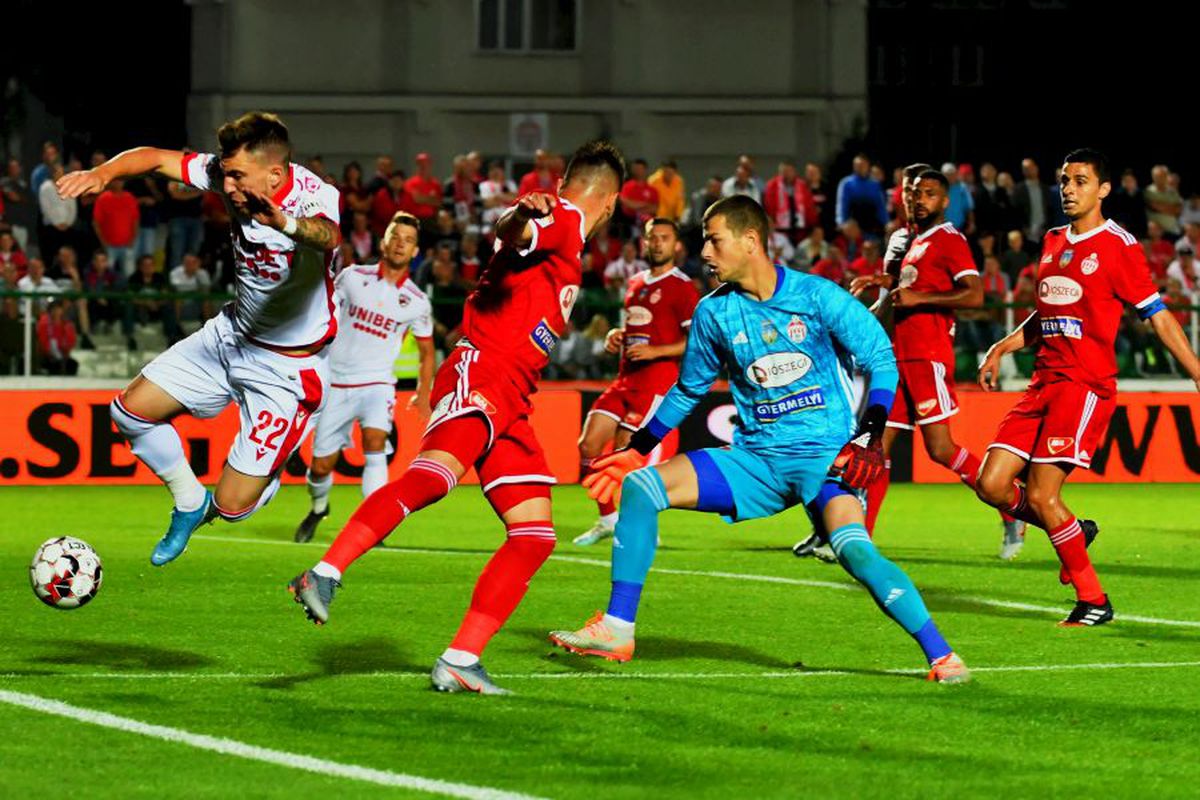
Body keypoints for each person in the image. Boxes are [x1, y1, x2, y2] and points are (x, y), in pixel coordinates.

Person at [549, 195, 969, 684]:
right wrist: (636, 449)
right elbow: (689, 389)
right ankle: (618, 629)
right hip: (755, 463)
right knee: (641, 488)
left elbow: (880, 357)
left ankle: (943, 656)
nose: (704, 251)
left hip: (824, 459)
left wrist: (871, 433)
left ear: (750, 241)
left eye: (714, 239)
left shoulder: (816, 296)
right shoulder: (713, 313)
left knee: (856, 552)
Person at [287, 140, 625, 696]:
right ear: (609, 202)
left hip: (515, 397)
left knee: (535, 534)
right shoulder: (562, 217)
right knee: (434, 478)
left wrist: (522, 218)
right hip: (484, 370)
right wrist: (521, 213)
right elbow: (513, 232)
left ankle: (461, 659)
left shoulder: (568, 233)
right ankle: (323, 572)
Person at [56, 111, 342, 566]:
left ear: (274, 173)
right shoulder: (231, 177)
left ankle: (268, 468)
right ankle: (189, 501)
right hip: (231, 336)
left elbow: (328, 236)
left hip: (288, 368)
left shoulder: (315, 196)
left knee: (232, 507)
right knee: (129, 412)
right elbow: (153, 158)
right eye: (225, 174)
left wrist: (283, 222)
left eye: (237, 177)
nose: (226, 187)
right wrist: (103, 173)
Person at [976, 149, 1200, 626]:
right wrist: (1004, 345)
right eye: (1064, 180)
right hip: (1042, 383)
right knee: (991, 483)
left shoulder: (1119, 245)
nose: (1069, 189)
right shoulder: (1054, 240)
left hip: (1083, 386)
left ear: (1102, 189)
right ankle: (1074, 532)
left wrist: (1196, 369)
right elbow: (1048, 309)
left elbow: (1157, 316)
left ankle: (1093, 600)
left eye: (1080, 180)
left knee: (1040, 495)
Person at [830, 168, 1023, 559]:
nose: (920, 200)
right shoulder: (914, 242)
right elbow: (910, 290)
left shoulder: (949, 239)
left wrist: (920, 300)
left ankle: (1012, 508)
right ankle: (859, 540)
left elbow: (974, 295)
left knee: (940, 449)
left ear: (945, 201)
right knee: (875, 450)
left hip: (927, 355)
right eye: (915, 193)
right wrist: (882, 283)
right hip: (897, 357)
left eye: (929, 194)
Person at [295, 212, 436, 543]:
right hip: (335, 381)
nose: (401, 244)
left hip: (377, 384)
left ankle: (375, 526)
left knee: (375, 445)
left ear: (415, 252)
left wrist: (424, 392)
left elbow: (428, 351)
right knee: (320, 467)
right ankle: (318, 509)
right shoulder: (352, 277)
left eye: (408, 240)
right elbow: (321, 313)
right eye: (395, 236)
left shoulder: (417, 301)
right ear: (383, 241)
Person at [575, 218, 699, 546]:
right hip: (624, 379)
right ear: (644, 243)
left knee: (624, 454)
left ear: (676, 246)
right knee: (587, 446)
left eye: (664, 238)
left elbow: (695, 340)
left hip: (656, 383)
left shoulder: (682, 286)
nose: (657, 243)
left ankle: (642, 527)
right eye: (652, 238)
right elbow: (635, 327)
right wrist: (618, 335)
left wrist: (657, 350)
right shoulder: (636, 282)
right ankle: (607, 519)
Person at [92, 178, 141, 277]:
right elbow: (96, 223)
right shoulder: (103, 198)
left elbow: (136, 220)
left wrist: (133, 238)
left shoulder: (130, 198)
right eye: (115, 181)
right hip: (109, 245)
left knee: (129, 273)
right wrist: (103, 242)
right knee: (106, 274)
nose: (118, 183)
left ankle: (129, 292)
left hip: (127, 244)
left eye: (120, 181)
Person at [763, 160, 817, 244]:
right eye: (784, 171)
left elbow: (809, 207)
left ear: (794, 172)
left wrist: (811, 226)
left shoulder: (802, 186)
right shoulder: (772, 185)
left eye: (789, 171)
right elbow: (768, 207)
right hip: (780, 230)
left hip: (800, 231)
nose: (786, 174)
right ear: (780, 172)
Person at [835, 154, 887, 237]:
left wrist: (886, 223)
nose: (859, 168)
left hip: (873, 227)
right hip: (853, 227)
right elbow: (842, 204)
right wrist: (841, 223)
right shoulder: (846, 183)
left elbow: (881, 206)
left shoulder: (875, 184)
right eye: (857, 165)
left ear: (867, 166)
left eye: (862, 165)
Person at [36, 299, 79, 375]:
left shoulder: (67, 324)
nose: (56, 312)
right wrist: (51, 353)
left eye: (59, 309)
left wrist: (64, 351)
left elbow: (71, 342)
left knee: (73, 364)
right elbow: (42, 343)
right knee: (55, 364)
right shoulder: (44, 323)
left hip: (62, 355)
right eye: (54, 309)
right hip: (46, 356)